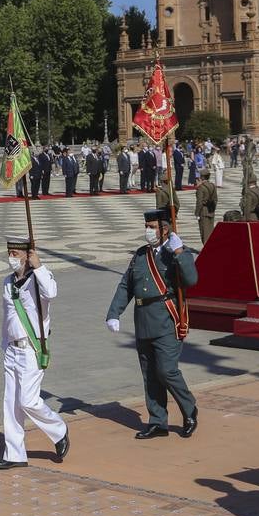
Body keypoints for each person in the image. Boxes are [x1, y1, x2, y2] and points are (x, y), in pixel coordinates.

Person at [104, 209, 198, 440]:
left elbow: (191, 280)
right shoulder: (140, 255)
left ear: (165, 229)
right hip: (143, 319)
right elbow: (126, 285)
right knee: (150, 375)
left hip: (167, 319)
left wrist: (180, 251)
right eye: (147, 226)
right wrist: (114, 313)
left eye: (153, 227)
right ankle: (158, 421)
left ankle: (189, 409)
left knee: (166, 371)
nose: (148, 231)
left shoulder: (173, 253)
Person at [0, 236, 69, 470]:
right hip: (12, 350)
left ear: (27, 255)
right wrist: (5, 345)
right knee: (12, 403)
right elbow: (8, 318)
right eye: (9, 253)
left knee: (28, 400)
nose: (11, 258)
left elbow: (52, 292)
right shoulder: (8, 282)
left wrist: (40, 266)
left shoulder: (37, 280)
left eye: (15, 253)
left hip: (31, 349)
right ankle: (15, 454)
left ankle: (59, 430)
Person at [194, 174, 217, 244]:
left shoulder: (201, 188)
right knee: (210, 231)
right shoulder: (212, 185)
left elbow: (199, 202)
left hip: (203, 211)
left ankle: (207, 249)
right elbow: (215, 199)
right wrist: (213, 208)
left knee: (204, 232)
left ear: (202, 177)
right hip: (211, 210)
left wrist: (197, 213)